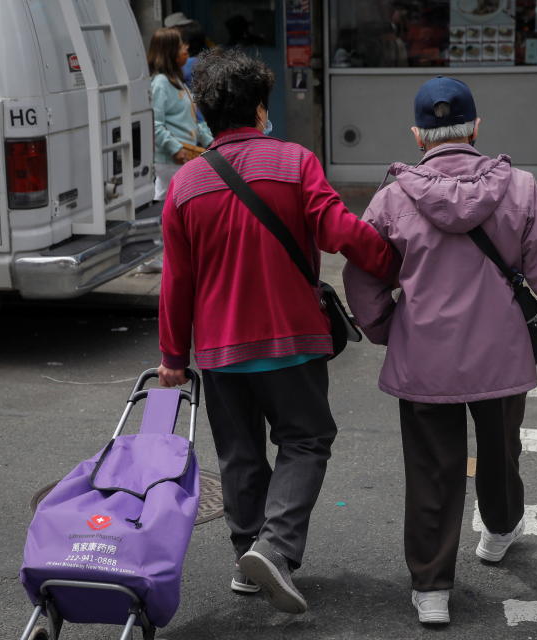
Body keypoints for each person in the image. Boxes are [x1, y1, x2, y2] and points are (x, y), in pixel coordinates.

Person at [343, 76, 537, 626]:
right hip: (502, 353)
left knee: (434, 467)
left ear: (418, 135)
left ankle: (432, 589)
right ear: (476, 129)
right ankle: (501, 529)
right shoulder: (521, 189)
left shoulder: (392, 199)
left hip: (424, 358)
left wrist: (388, 326)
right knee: (501, 450)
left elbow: (363, 277)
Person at [156, 48, 399, 615]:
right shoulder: (295, 162)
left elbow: (177, 282)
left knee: (240, 456)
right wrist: (392, 263)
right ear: (261, 109)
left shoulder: (187, 185)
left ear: (204, 114)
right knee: (306, 440)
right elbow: (340, 230)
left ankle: (249, 557)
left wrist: (173, 356)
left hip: (219, 350)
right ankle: (276, 546)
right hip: (292, 341)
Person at [148, 27, 212, 203]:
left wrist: (211, 142)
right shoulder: (161, 84)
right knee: (174, 202)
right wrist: (175, 149)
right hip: (171, 159)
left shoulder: (177, 82)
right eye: (181, 46)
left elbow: (193, 119)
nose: (186, 48)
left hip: (183, 156)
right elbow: (155, 123)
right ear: (169, 53)